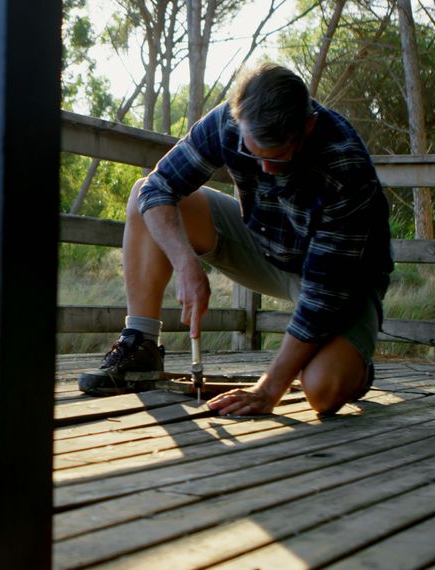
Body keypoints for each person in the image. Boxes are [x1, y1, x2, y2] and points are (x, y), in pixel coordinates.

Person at [78, 63, 393, 417]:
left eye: (278, 158)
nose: (265, 170)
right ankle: (140, 345)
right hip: (267, 247)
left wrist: (267, 390)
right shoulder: (227, 122)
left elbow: (323, 298)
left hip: (343, 283)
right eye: (253, 152)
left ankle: (356, 370)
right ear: (239, 120)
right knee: (142, 197)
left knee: (321, 390)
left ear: (307, 127)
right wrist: (185, 263)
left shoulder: (345, 165)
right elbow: (159, 187)